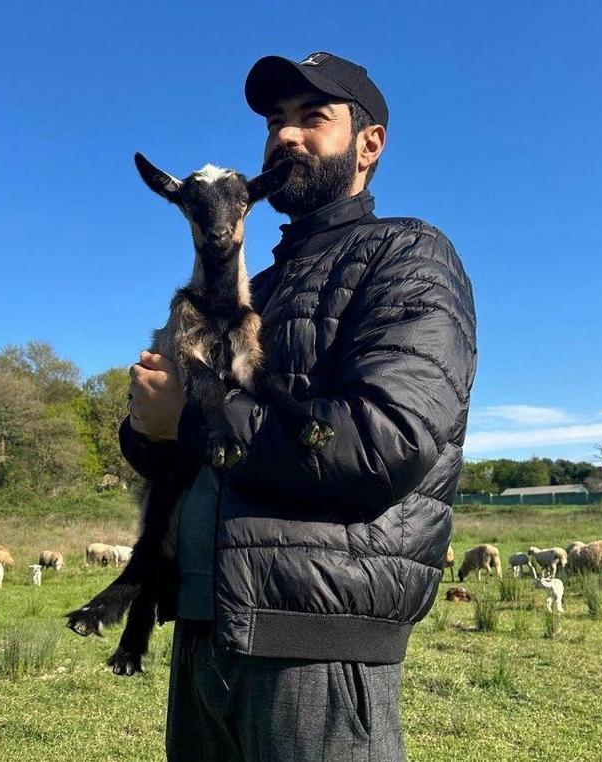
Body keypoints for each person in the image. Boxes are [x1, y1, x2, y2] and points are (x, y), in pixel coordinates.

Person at [120, 52, 477, 762]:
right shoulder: (257, 283)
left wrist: (188, 418)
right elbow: (189, 451)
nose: (285, 136)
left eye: (313, 118)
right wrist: (146, 427)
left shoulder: (406, 256)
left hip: (314, 654)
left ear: (369, 144)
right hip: (205, 637)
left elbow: (385, 442)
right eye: (275, 121)